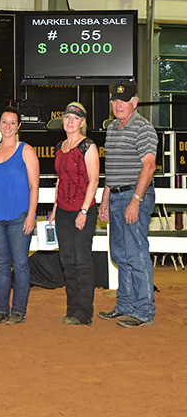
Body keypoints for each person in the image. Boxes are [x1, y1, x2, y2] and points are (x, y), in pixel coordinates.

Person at [98, 84, 158, 327]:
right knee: (120, 254)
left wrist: (136, 200)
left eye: (123, 100)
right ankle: (125, 304)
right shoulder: (112, 127)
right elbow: (111, 171)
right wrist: (105, 199)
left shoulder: (143, 128)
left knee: (135, 253)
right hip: (116, 196)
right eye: (115, 101)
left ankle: (144, 310)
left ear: (135, 101)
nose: (118, 105)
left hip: (134, 196)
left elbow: (149, 166)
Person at [0, 106, 39, 325]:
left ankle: (19, 311)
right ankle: (0, 310)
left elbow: (34, 186)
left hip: (19, 217)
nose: (8, 126)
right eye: (4, 121)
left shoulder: (26, 151)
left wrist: (31, 215)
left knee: (21, 264)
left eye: (12, 122)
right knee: (1, 265)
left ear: (19, 126)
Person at [49, 102, 99, 326]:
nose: (70, 121)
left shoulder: (88, 146)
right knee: (67, 261)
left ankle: (84, 312)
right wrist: (54, 209)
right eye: (67, 117)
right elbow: (60, 180)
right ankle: (72, 309)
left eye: (75, 118)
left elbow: (94, 180)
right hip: (63, 211)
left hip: (82, 210)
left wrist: (84, 211)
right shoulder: (61, 146)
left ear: (82, 122)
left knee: (82, 261)